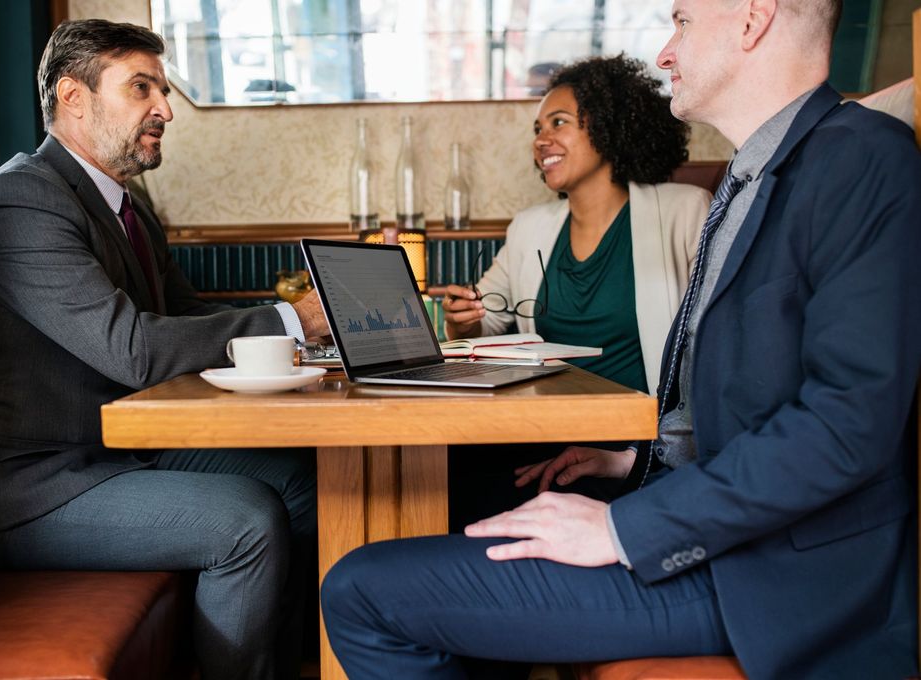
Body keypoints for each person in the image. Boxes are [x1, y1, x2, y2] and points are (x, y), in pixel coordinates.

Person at [321, 1, 921, 678]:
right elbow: (748, 403)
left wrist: (619, 528)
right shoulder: (756, 178)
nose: (665, 53)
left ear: (753, 19)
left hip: (777, 580)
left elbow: (847, 425)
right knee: (455, 530)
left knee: (359, 591)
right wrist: (631, 462)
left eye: (683, 23)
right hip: (725, 537)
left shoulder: (861, 159)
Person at [0, 19, 329, 680]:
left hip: (110, 444)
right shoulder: (21, 200)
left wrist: (301, 339)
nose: (164, 108)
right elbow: (132, 350)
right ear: (73, 97)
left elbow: (185, 317)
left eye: (161, 90)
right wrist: (290, 319)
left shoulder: (127, 207)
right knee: (247, 521)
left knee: (304, 483)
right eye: (142, 87)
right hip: (24, 483)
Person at [445, 55, 709, 529]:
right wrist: (463, 317)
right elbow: (485, 317)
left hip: (637, 447)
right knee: (440, 476)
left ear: (607, 128)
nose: (540, 140)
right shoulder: (530, 228)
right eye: (537, 127)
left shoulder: (683, 212)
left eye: (559, 123)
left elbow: (710, 353)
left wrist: (636, 451)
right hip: (539, 431)